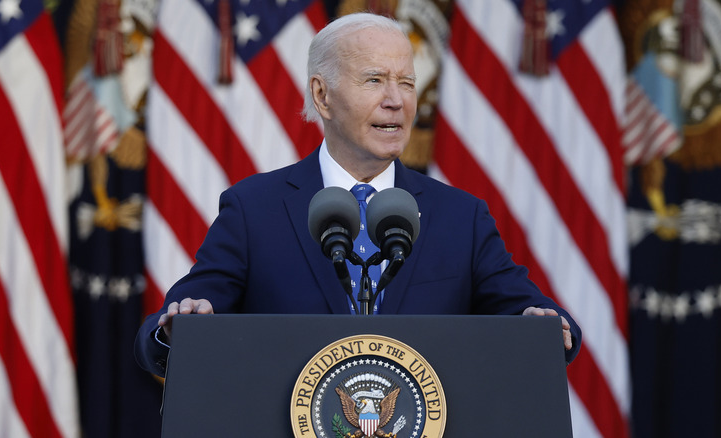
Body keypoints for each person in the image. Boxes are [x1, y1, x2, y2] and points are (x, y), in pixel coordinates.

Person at [134, 12, 581, 377]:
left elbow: (531, 311)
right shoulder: (255, 208)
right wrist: (179, 326)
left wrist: (544, 326)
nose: (397, 101)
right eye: (374, 80)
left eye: (406, 82)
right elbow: (172, 324)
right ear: (322, 95)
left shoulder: (460, 217)